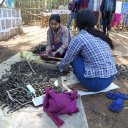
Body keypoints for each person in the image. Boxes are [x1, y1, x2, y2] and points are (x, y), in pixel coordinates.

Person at [59, 9, 117, 92]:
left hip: (96, 84)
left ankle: (86, 84)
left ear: (77, 23)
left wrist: (60, 68)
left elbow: (68, 58)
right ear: (93, 21)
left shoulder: (79, 38)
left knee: (74, 57)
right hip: (110, 79)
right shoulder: (100, 35)